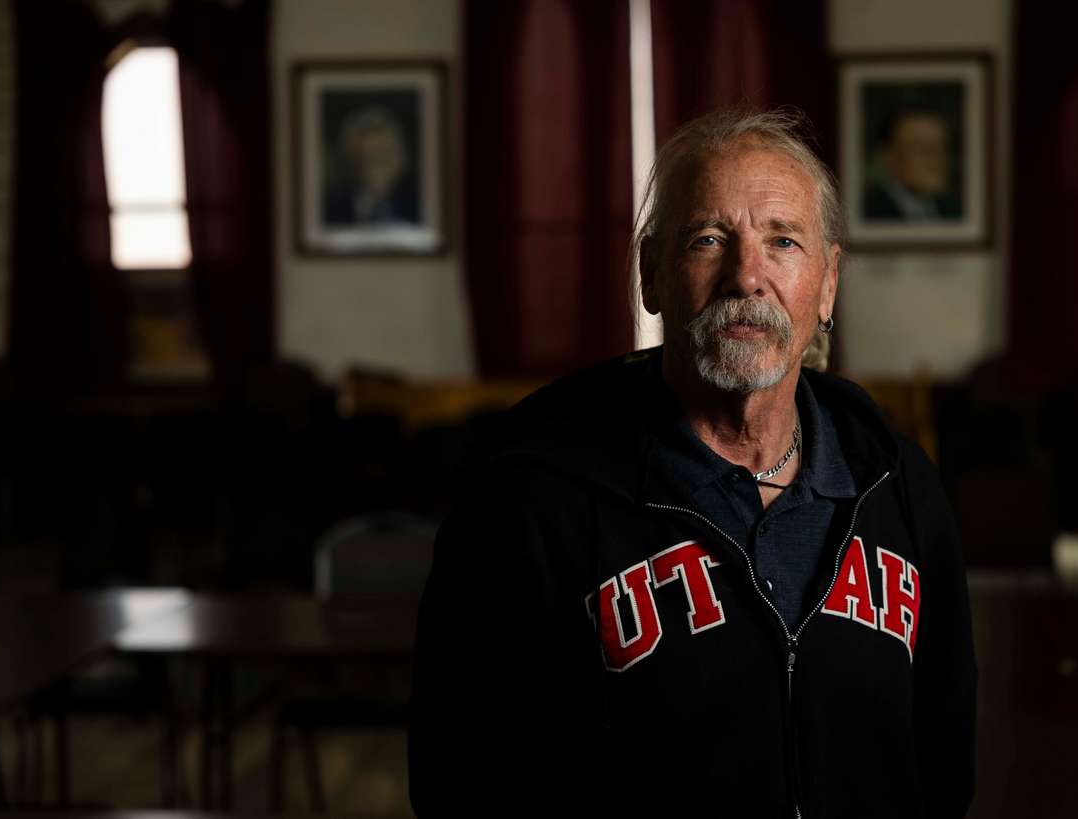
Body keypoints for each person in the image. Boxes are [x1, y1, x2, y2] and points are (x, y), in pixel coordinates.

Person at [409, 108, 976, 818]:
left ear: (828, 284)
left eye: (784, 242)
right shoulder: (528, 504)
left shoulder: (899, 486)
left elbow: (944, 764)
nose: (748, 276)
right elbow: (463, 783)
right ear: (652, 274)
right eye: (709, 239)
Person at [322, 105, 420, 226]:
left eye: (384, 156)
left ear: (401, 159)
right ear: (348, 161)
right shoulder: (329, 211)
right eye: (366, 157)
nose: (375, 167)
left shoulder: (421, 206)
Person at [863, 107, 962, 221]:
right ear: (888, 156)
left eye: (941, 147)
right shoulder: (872, 211)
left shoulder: (951, 210)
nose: (935, 158)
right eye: (921, 148)